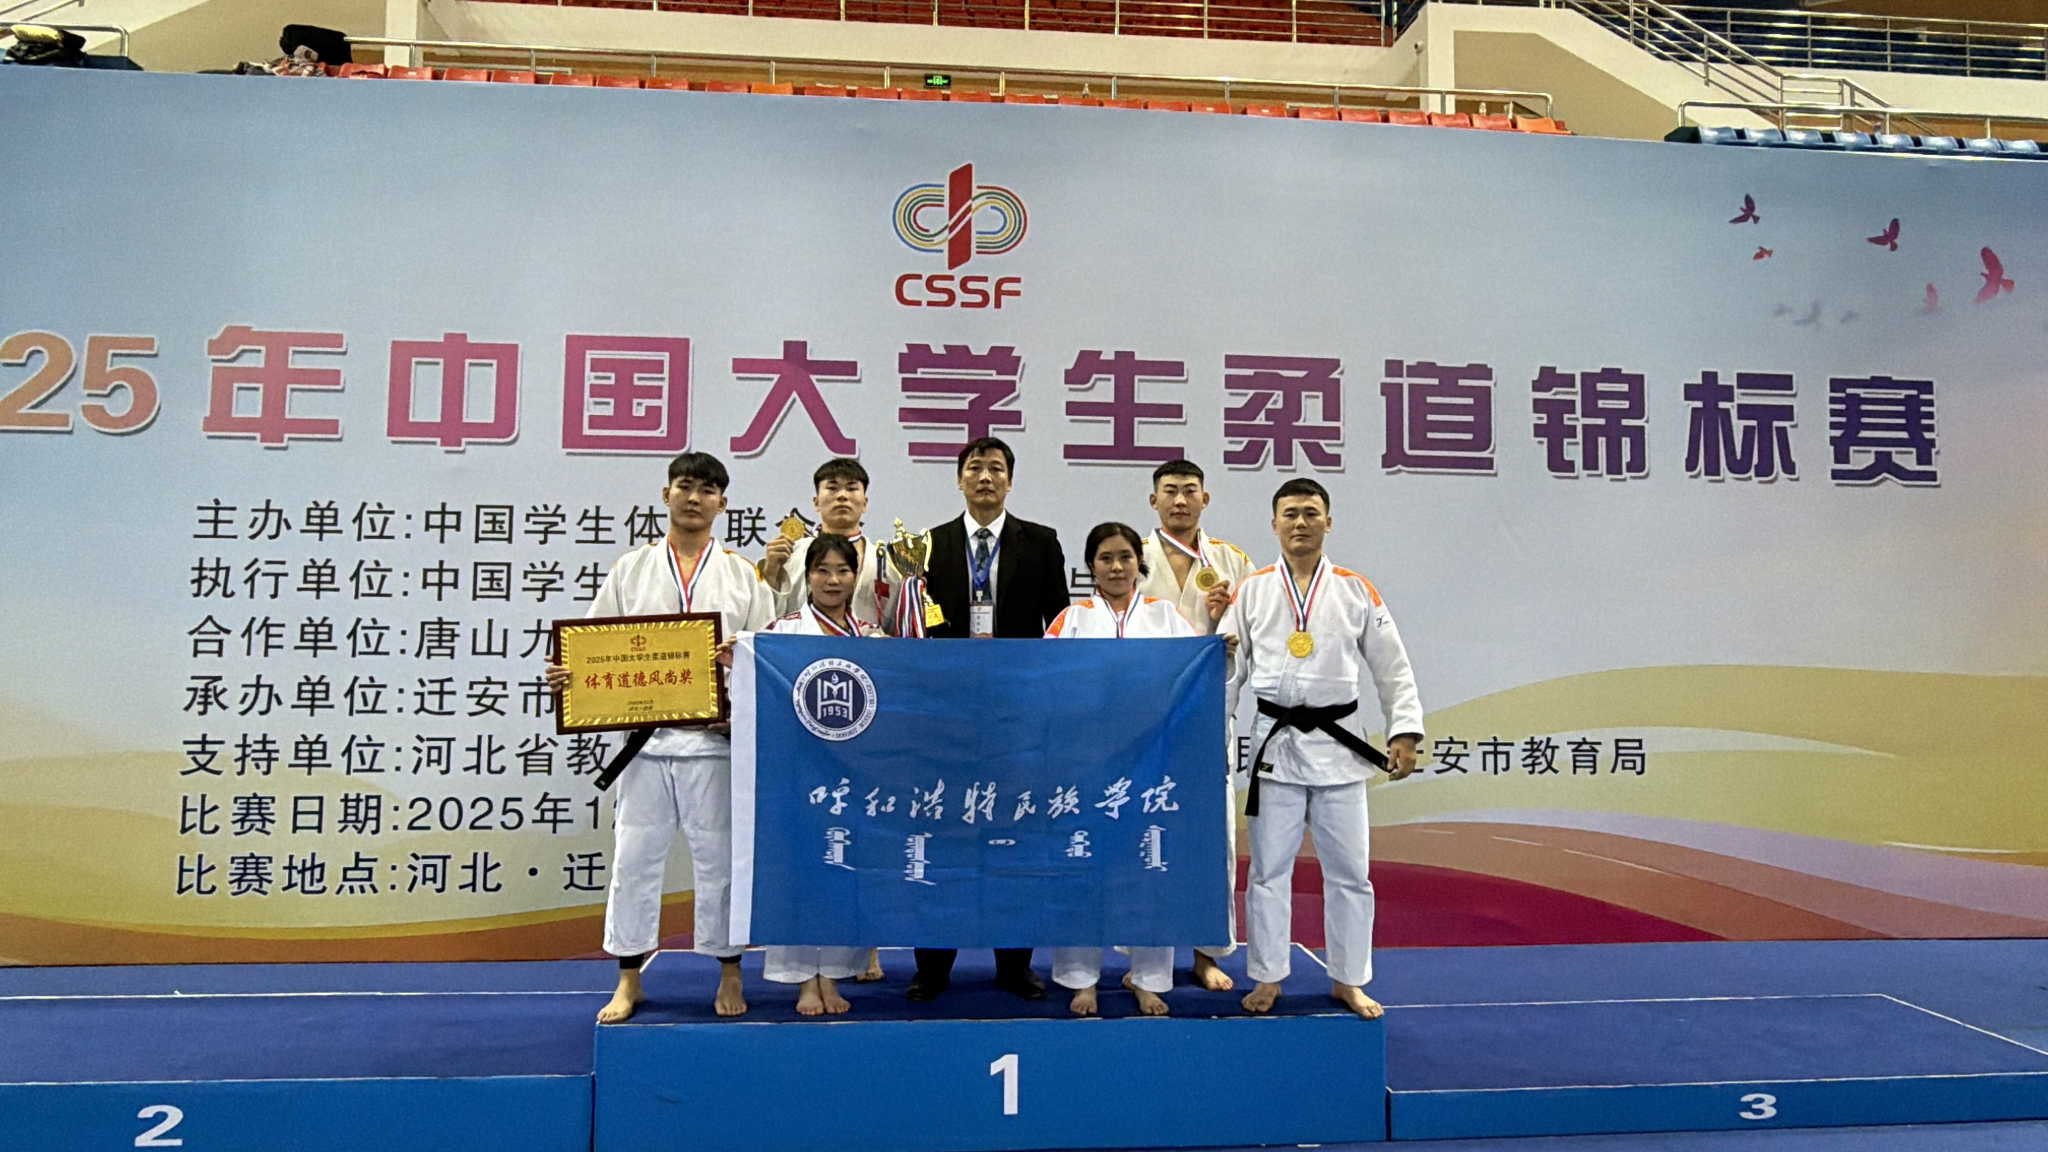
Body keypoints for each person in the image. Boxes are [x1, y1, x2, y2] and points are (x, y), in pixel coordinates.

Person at [545, 452, 776, 1024]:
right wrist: (569, 675)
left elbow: (768, 656)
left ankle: (729, 969)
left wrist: (738, 699)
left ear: (723, 502)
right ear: (666, 494)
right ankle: (629, 978)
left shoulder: (744, 575)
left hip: (714, 744)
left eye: (707, 490)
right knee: (635, 860)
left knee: (720, 863)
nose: (695, 498)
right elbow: (593, 644)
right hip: (644, 746)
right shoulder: (631, 569)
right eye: (685, 486)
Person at [1214, 478, 1423, 1020]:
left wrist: (1404, 730)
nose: (1301, 522)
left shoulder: (1356, 589)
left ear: (1328, 521)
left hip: (1340, 751)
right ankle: (1268, 977)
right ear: (1274, 524)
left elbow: (1392, 667)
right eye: (1290, 513)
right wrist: (1213, 734)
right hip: (1276, 749)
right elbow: (1227, 671)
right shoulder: (1252, 590)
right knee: (1268, 873)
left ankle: (1348, 979)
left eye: (1311, 512)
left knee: (1351, 873)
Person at [906, 435, 1072, 1003]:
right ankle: (933, 966)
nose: (985, 477)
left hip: (1017, 715)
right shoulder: (927, 546)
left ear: (1009, 480)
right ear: (959, 479)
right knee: (943, 835)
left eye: (996, 468)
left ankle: (1015, 963)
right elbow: (914, 629)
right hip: (946, 715)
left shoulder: (1041, 542)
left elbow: (1059, 627)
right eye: (974, 468)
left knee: (1015, 835)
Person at [1045, 522, 1203, 1017]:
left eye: (1125, 557)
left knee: (1150, 865)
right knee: (1082, 864)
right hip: (1085, 762)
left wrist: (1221, 656)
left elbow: (1198, 677)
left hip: (1151, 762)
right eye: (1106, 558)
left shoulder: (1167, 617)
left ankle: (1149, 977)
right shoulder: (1070, 620)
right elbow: (1042, 684)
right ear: (1090, 566)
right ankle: (1081, 978)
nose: (1116, 567)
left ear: (1140, 562)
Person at [1137, 458, 1254, 993]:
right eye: (1170, 491)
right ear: (1153, 500)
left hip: (1206, 718)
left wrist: (1228, 628)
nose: (1180, 500)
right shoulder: (1131, 556)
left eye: (1190, 491)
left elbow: (1252, 635)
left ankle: (1208, 952)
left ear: (1205, 499)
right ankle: (1145, 956)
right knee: (1146, 838)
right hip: (1144, 721)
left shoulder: (1232, 561)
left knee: (1212, 839)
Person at [754, 534, 880, 1015]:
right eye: (822, 570)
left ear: (855, 577)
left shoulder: (871, 638)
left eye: (843, 571)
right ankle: (803, 978)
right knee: (800, 873)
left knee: (846, 872)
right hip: (798, 772)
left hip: (854, 775)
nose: (832, 580)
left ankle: (833, 974)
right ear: (807, 576)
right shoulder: (781, 633)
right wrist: (738, 660)